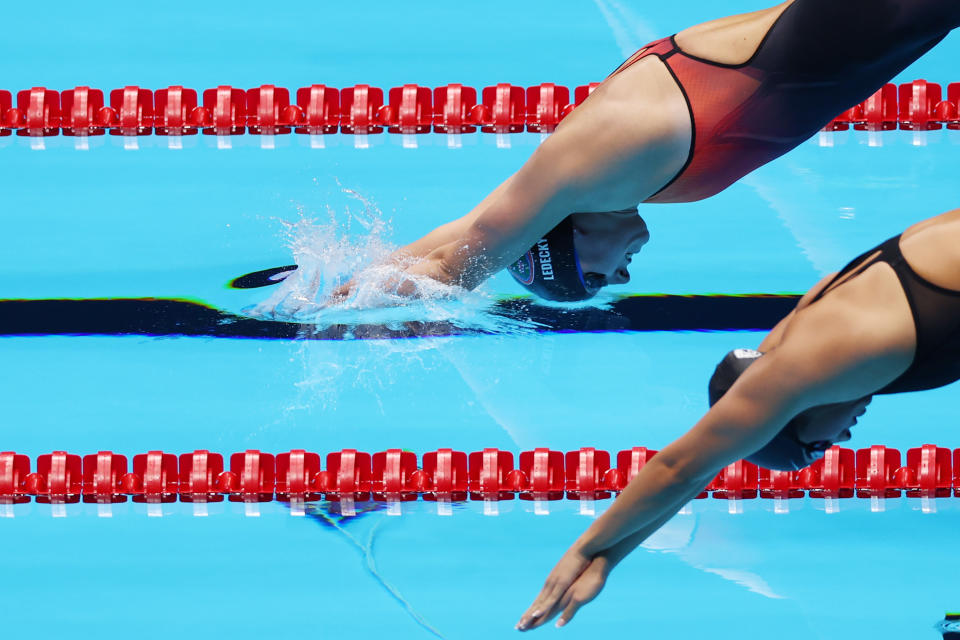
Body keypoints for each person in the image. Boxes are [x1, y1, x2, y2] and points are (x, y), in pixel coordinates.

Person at [327, 0, 960, 304]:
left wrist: (327, 324)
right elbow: (462, 231)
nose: (625, 276)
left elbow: (457, 263)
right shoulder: (601, 184)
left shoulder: (586, 169)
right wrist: (326, 289)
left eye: (599, 275)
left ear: (559, 241)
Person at [514, 207, 960, 630]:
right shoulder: (804, 327)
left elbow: (680, 467)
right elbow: (698, 475)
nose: (844, 437)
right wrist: (609, 559)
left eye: (819, 445)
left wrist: (584, 552)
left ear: (789, 413)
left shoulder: (815, 363)